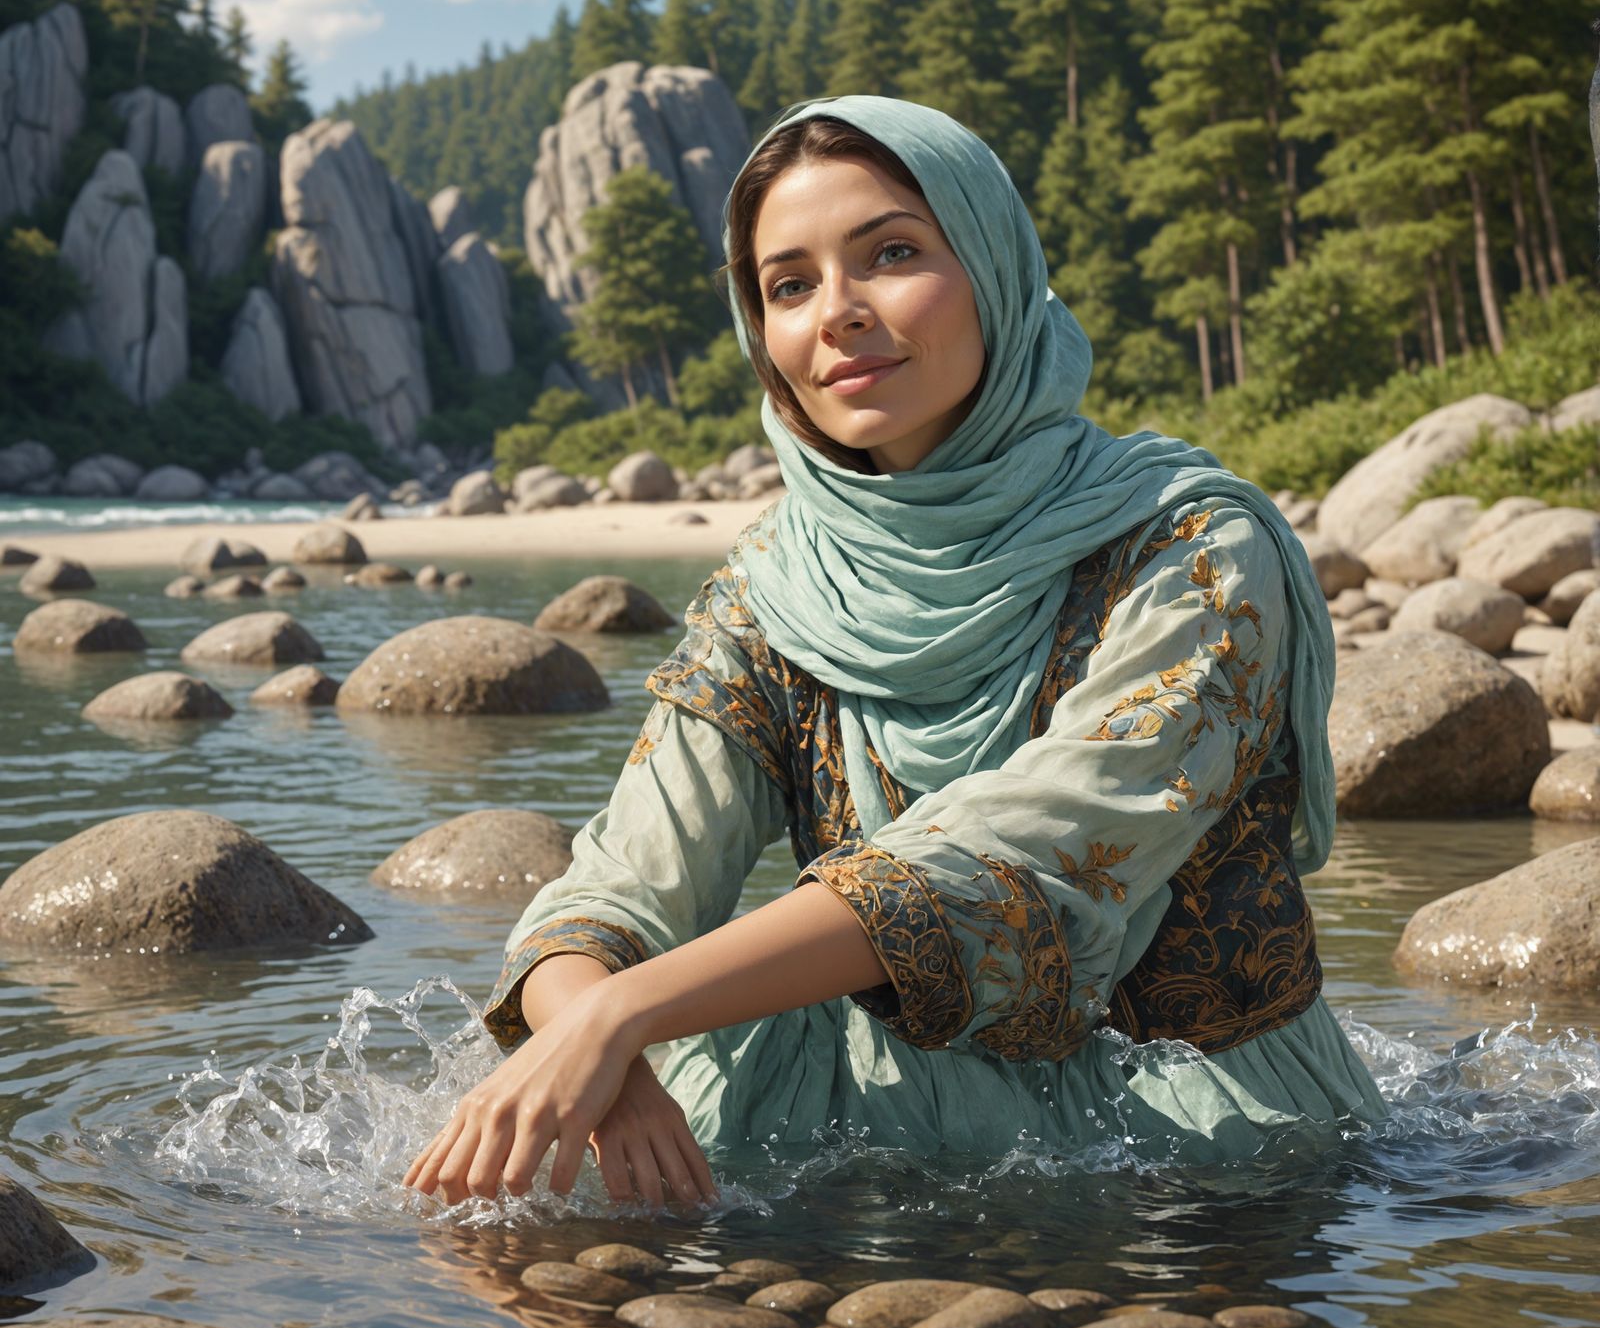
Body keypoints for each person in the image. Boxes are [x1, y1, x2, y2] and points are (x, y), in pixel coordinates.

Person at [404, 95, 1387, 1211]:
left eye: (893, 254)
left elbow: (1030, 851)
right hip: (836, 1138)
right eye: (788, 285)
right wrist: (598, 1047)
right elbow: (624, 881)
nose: (837, 314)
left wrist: (634, 1013)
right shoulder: (774, 591)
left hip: (1193, 1150)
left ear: (996, 268)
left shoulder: (1193, 543)